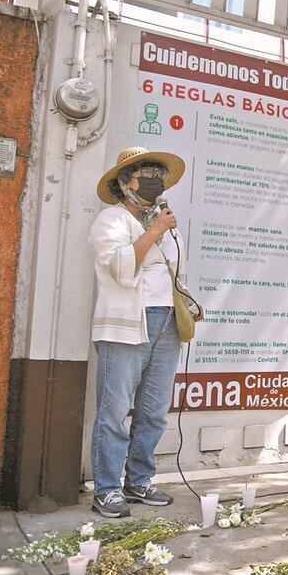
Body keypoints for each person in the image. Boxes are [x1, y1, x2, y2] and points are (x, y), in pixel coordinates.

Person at [89, 146, 197, 518]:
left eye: (158, 173)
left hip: (167, 322)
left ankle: (139, 480)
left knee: (153, 410)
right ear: (125, 183)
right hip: (127, 324)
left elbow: (175, 271)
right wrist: (154, 230)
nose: (154, 180)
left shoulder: (164, 223)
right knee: (115, 409)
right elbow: (122, 269)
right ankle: (106, 488)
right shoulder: (111, 221)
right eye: (145, 174)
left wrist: (185, 300)